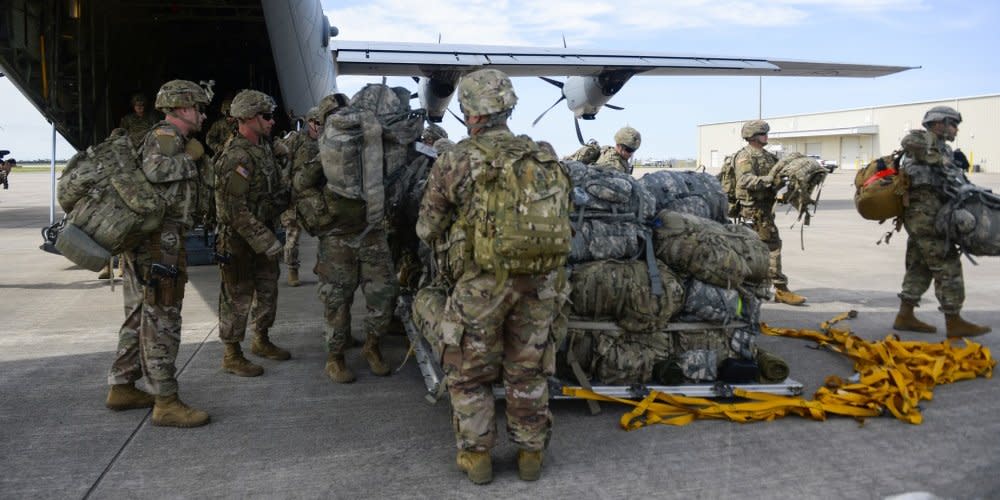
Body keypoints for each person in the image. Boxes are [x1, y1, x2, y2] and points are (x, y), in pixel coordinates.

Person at [417, 69, 570, 484]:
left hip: (481, 284)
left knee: (468, 372)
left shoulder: (457, 159)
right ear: (508, 107)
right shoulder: (543, 155)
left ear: (469, 112)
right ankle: (530, 456)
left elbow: (427, 227)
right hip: (540, 283)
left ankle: (478, 458)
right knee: (528, 370)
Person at [104, 79, 211, 427]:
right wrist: (190, 161)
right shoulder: (166, 138)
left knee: (139, 315)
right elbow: (156, 169)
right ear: (182, 108)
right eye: (197, 107)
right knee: (163, 319)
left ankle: (122, 385)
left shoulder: (170, 139)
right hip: (158, 244)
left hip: (147, 241)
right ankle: (165, 401)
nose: (201, 113)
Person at [309, 87, 398, 384]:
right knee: (337, 298)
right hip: (337, 235)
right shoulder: (326, 145)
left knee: (383, 293)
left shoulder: (377, 137)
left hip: (372, 230)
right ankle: (334, 357)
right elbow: (302, 183)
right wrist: (320, 215)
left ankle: (372, 347)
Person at [893, 106, 991, 338]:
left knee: (920, 265)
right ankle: (954, 321)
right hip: (925, 218)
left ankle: (905, 316)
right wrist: (942, 160)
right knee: (948, 266)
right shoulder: (921, 139)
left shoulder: (944, 148)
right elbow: (910, 142)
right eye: (953, 124)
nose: (956, 129)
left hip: (929, 217)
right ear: (939, 123)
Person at [214, 89, 291, 377]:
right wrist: (265, 241)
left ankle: (262, 339)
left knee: (268, 289)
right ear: (247, 118)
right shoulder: (237, 157)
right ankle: (232, 354)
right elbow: (233, 210)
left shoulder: (263, 148)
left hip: (263, 231)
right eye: (267, 116)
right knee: (237, 295)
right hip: (239, 240)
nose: (272, 122)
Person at [733, 119, 807, 306]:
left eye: (766, 133)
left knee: (757, 248)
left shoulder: (767, 156)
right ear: (752, 136)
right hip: (754, 210)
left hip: (765, 208)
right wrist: (768, 180)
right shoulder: (745, 157)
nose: (766, 136)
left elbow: (778, 177)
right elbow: (745, 180)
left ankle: (755, 286)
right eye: (762, 133)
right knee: (772, 246)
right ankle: (780, 289)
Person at [276, 106, 323, 287]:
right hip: (295, 196)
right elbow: (283, 160)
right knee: (292, 237)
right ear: (309, 122)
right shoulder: (296, 140)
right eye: (315, 122)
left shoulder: (326, 143)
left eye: (322, 123)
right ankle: (292, 270)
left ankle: (321, 265)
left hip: (316, 196)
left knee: (325, 235)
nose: (318, 127)